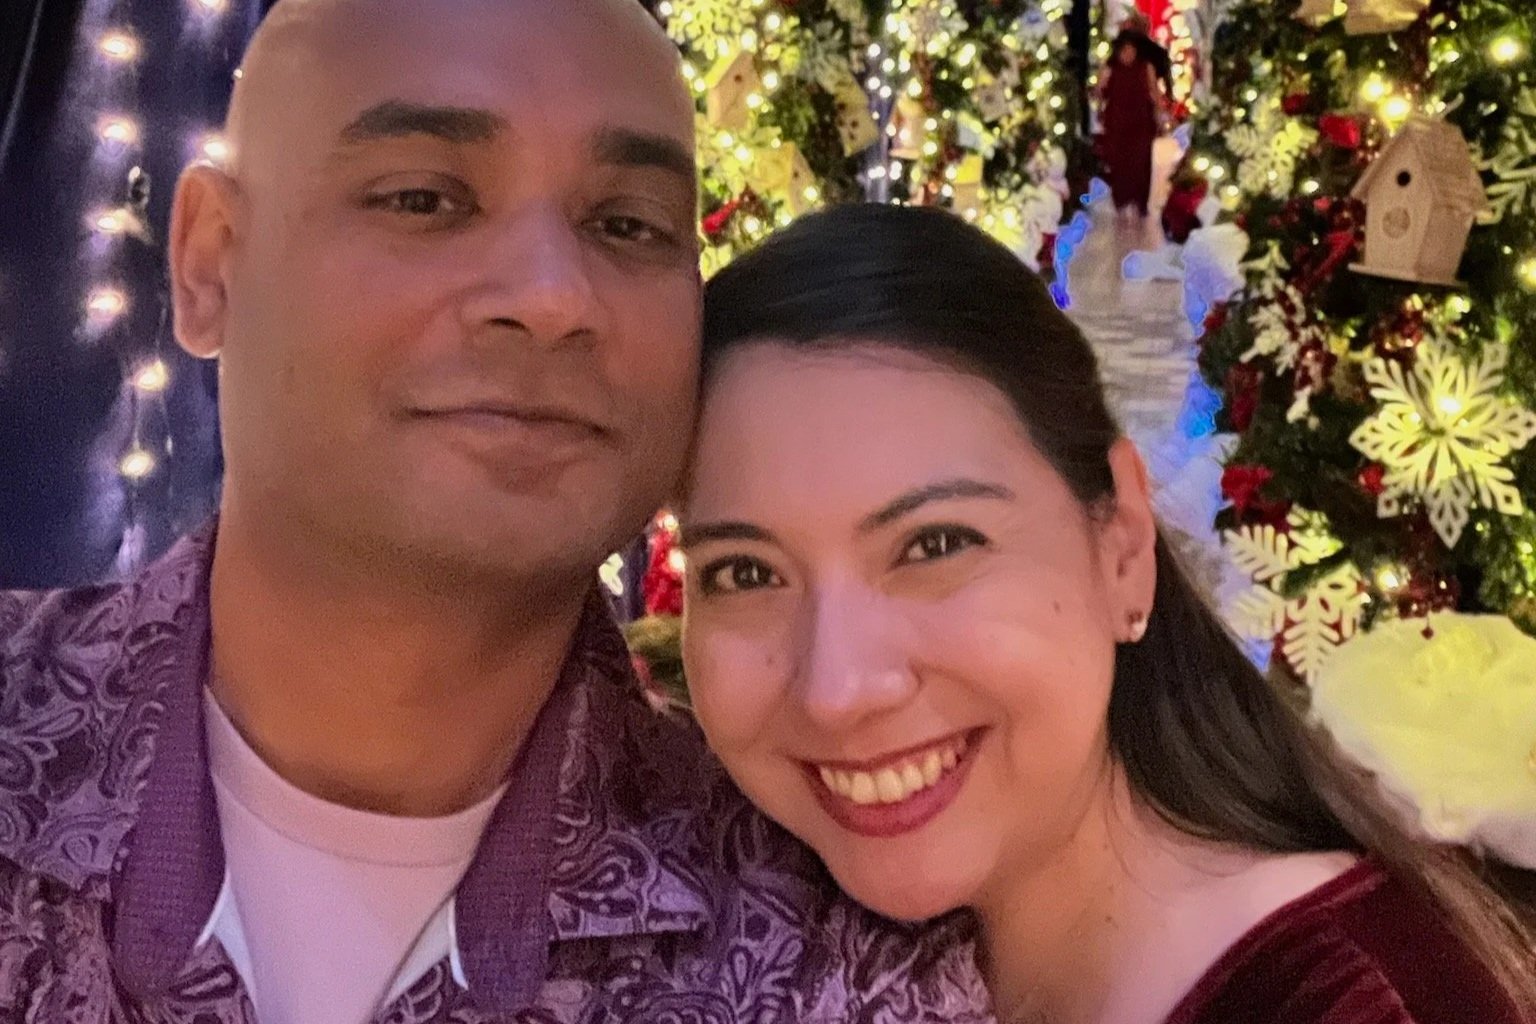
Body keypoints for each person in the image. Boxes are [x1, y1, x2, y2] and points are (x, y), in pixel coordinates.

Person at [0, 3, 990, 1022]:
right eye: (425, 199)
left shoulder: (833, 955)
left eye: (625, 225)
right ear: (209, 263)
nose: (553, 295)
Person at [678, 203, 1536, 1024]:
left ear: (1121, 545)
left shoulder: (1342, 1000)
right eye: (745, 571)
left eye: (935, 545)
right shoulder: (793, 944)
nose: (838, 689)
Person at [1098, 28, 1162, 221]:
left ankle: (1141, 202)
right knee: (1119, 162)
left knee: (1141, 162)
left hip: (1141, 121)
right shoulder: (1109, 68)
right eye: (1124, 50)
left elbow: (1154, 92)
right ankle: (1121, 200)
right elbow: (1099, 91)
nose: (1128, 55)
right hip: (1117, 122)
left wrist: (1161, 115)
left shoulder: (1146, 67)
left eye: (1131, 50)